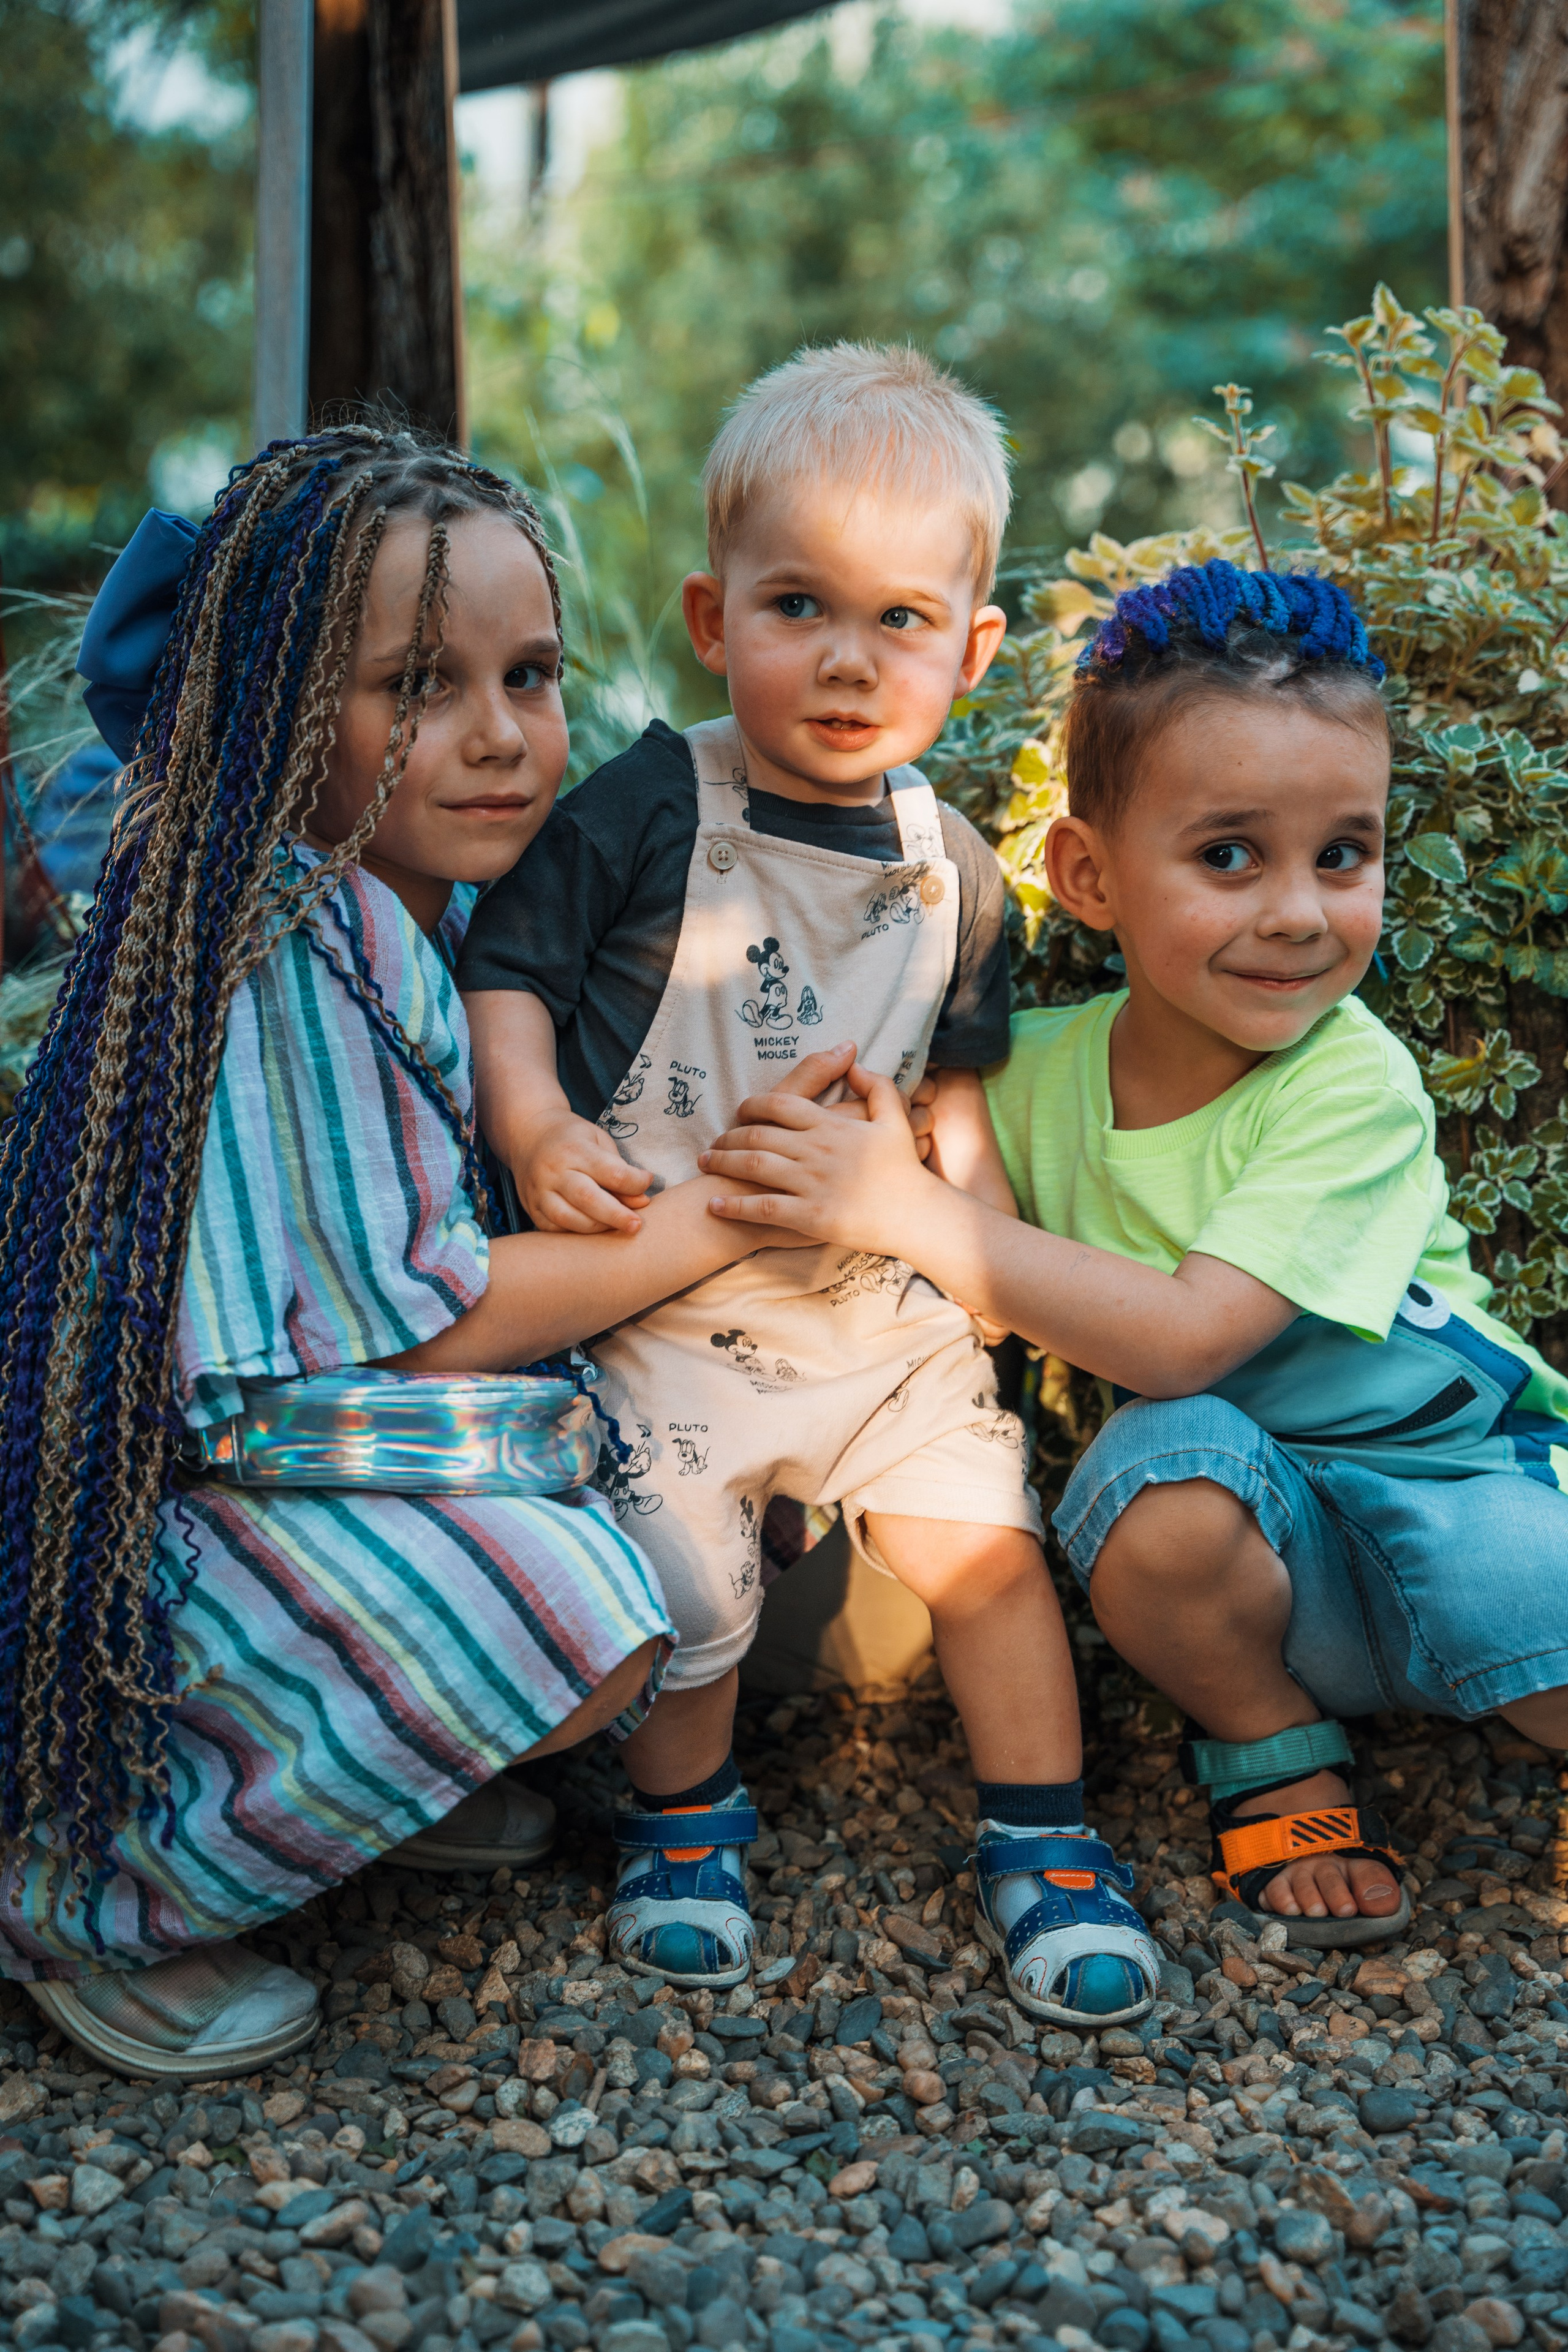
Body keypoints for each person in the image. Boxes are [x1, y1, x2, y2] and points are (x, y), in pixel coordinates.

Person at [0, 425, 837, 2081]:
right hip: (164, 1538)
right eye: (420, 686)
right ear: (279, 715)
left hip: (247, 1475)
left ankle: (349, 1788)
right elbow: (424, 1334)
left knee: (636, 1530)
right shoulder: (293, 938)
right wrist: (733, 1210)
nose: (503, 738)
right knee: (608, 1601)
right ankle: (89, 1885)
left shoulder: (386, 904)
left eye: (530, 675)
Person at [696, 556, 1568, 1949]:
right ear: (1087, 876)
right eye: (1228, 855)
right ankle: (1269, 1743)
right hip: (1253, 1550)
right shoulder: (1029, 1077)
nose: (1296, 909)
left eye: (1341, 853)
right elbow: (885, 1199)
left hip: (1457, 1489)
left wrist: (909, 1210)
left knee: (1528, 1600)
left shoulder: (1351, 1087)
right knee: (1153, 1484)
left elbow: (1179, 1334)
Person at [459, 344, 1158, 2027]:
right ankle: (685, 1816)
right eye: (798, 608)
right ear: (714, 619)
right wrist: (540, 1128)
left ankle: (1046, 1840)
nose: (849, 662)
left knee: (989, 1554)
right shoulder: (644, 805)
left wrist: (989, 1260)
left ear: (975, 650)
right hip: (668, 1312)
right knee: (694, 1598)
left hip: (880, 1306)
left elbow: (955, 1090)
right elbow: (512, 977)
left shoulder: (957, 868)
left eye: (902, 622)